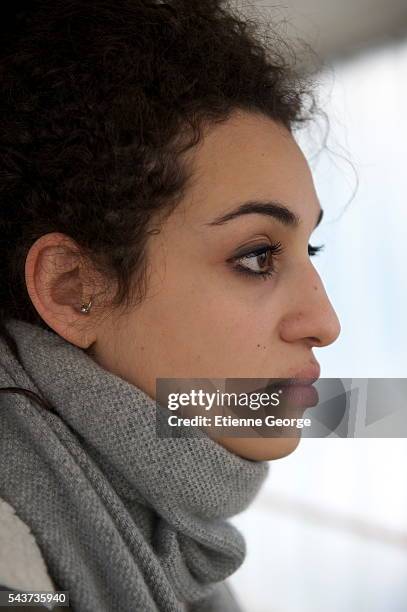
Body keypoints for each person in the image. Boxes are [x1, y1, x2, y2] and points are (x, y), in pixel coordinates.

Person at [0, 1, 341, 610]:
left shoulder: (182, 565)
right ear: (74, 290)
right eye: (258, 255)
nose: (324, 323)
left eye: (308, 248)